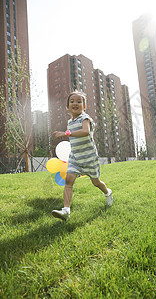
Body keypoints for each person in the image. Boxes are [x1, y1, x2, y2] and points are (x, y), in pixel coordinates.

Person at [52, 91, 113, 220]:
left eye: (79, 101)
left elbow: (85, 132)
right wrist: (67, 133)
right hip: (75, 157)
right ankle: (66, 211)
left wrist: (65, 134)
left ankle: (107, 192)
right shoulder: (70, 122)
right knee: (69, 181)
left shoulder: (85, 119)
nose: (75, 103)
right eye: (72, 101)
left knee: (96, 182)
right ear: (67, 106)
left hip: (89, 157)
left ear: (84, 106)